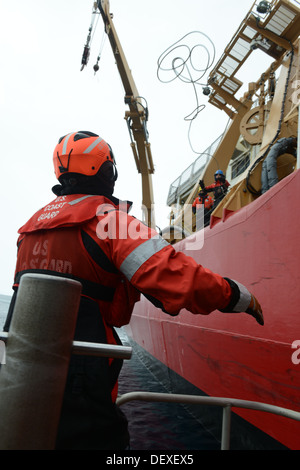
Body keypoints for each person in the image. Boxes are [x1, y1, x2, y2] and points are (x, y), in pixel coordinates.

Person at [3, 131, 264, 450]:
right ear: (105, 172)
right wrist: (237, 296)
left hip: (20, 364)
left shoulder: (29, 231)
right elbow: (173, 274)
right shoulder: (110, 221)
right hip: (81, 369)